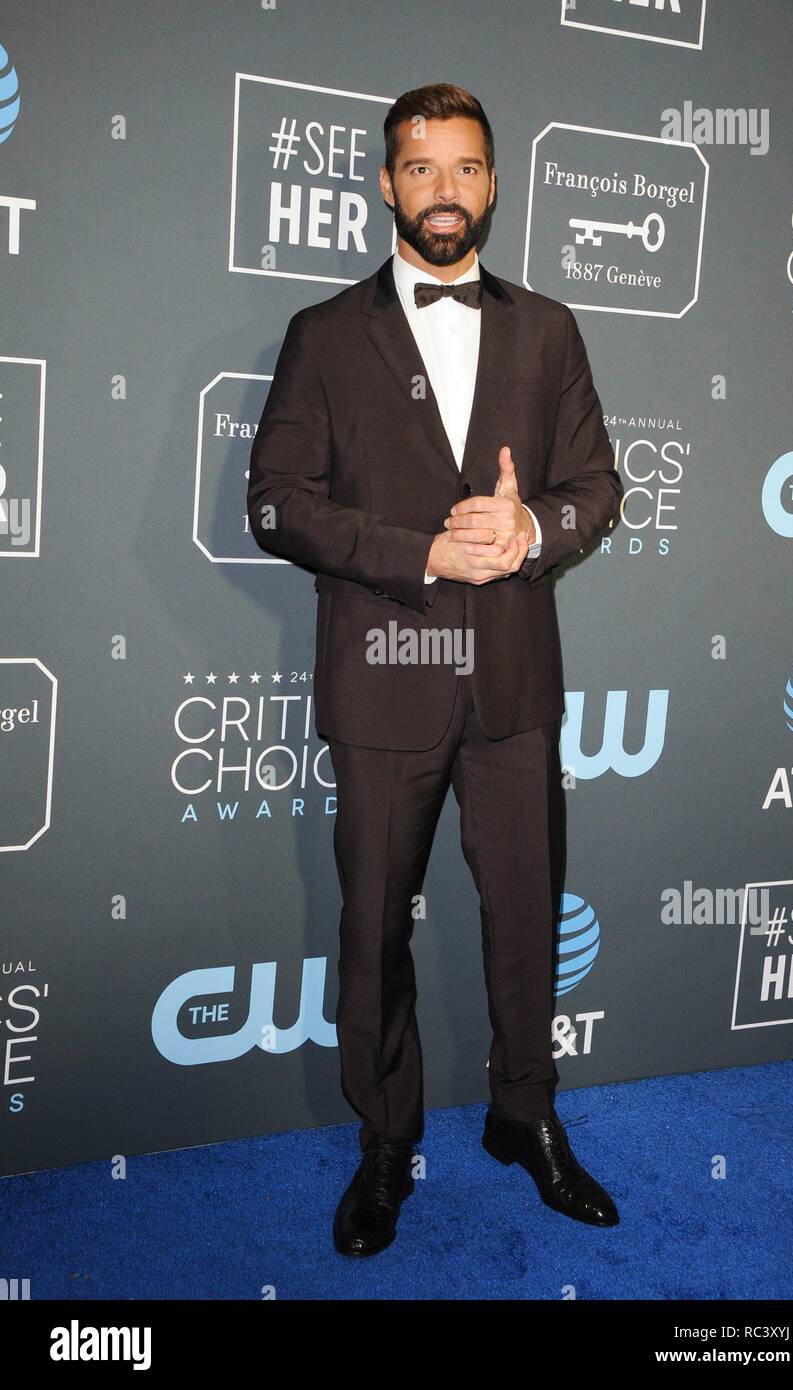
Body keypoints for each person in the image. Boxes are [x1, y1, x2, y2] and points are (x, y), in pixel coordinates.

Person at [248, 83, 624, 1257]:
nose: (445, 191)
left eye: (466, 169)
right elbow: (277, 506)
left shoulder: (549, 330)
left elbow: (598, 488)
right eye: (421, 170)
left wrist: (532, 534)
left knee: (523, 921)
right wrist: (423, 553)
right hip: (381, 683)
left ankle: (527, 1116)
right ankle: (384, 1142)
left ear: (495, 182)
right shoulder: (320, 337)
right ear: (385, 184)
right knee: (374, 931)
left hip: (513, 688)